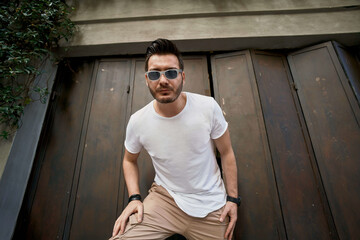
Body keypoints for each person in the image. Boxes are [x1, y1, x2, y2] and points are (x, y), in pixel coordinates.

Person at [110, 38, 239, 240]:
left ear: (182, 76)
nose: (163, 80)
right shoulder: (138, 121)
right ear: (146, 79)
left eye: (170, 72)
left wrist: (232, 199)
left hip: (212, 206)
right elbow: (129, 160)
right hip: (165, 200)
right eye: (155, 74)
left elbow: (227, 152)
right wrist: (134, 198)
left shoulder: (207, 107)